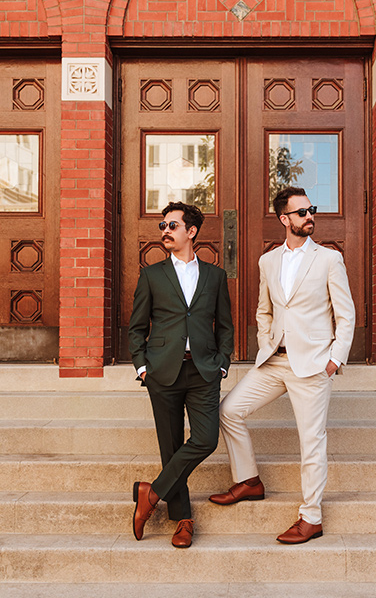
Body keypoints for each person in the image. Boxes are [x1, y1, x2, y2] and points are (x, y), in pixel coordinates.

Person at [209, 186, 355, 544]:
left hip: (313, 365)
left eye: (311, 210)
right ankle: (248, 480)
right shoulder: (268, 261)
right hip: (274, 361)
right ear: (284, 219)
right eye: (302, 212)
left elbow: (346, 314)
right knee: (229, 410)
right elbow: (264, 310)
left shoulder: (328, 259)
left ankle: (311, 517)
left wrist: (334, 360)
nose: (310, 217)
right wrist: (265, 342)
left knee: (311, 441)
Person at [129, 201, 234, 548]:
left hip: (204, 370)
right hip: (162, 371)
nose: (165, 231)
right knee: (170, 446)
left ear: (191, 231)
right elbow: (137, 326)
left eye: (172, 226)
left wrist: (222, 362)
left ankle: (151, 492)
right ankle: (183, 520)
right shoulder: (152, 275)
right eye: (162, 226)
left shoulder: (215, 276)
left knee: (205, 439)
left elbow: (225, 325)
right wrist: (143, 367)